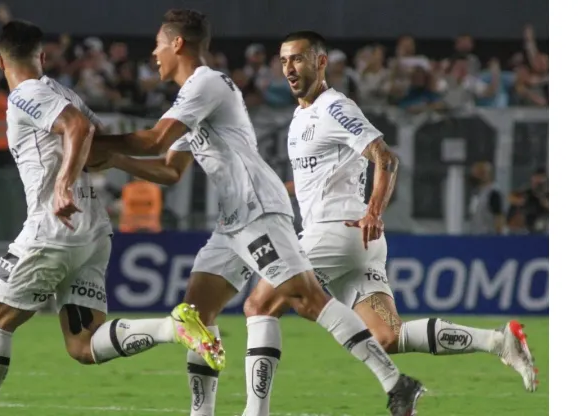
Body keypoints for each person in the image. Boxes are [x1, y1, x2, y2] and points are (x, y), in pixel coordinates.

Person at [92, 10, 424, 416]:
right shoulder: (189, 97)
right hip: (232, 219)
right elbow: (168, 169)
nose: (154, 54)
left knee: (304, 298)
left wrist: (99, 146)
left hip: (257, 208)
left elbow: (155, 139)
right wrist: (114, 160)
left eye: (158, 45)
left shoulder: (206, 83)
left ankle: (395, 382)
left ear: (177, 44)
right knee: (197, 318)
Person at [0, 20, 223, 416]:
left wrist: (64, 182)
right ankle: (173, 328)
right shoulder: (61, 91)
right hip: (93, 231)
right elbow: (94, 141)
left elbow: (79, 128)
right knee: (83, 344)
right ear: (43, 57)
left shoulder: (26, 95)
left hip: (52, 228)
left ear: (1, 62)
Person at [279, 30, 537, 392]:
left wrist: (374, 211)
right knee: (387, 335)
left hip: (337, 232)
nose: (289, 67)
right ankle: (497, 342)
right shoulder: (300, 117)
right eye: (285, 60)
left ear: (321, 63)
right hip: (355, 243)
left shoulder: (334, 107)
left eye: (298, 58)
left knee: (261, 301)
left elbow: (386, 158)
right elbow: (316, 179)